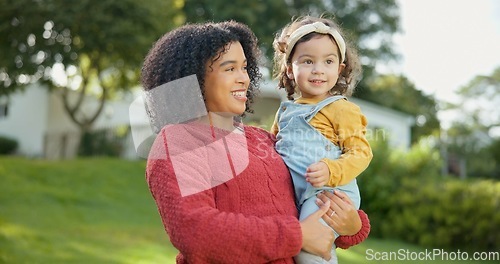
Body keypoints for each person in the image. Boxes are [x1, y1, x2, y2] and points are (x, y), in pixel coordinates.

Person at [141, 20, 370, 264]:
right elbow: (196, 231)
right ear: (192, 77)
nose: (244, 79)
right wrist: (298, 235)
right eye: (229, 69)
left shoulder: (265, 139)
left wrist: (353, 225)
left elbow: (308, 200)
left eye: (244, 68)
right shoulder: (178, 141)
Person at [271, 16, 373, 263]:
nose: (318, 69)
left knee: (308, 251)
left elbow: (361, 153)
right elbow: (271, 145)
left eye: (328, 61)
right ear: (289, 68)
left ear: (339, 69)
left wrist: (331, 170)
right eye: (307, 61)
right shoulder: (286, 111)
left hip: (329, 193)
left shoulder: (340, 109)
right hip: (301, 194)